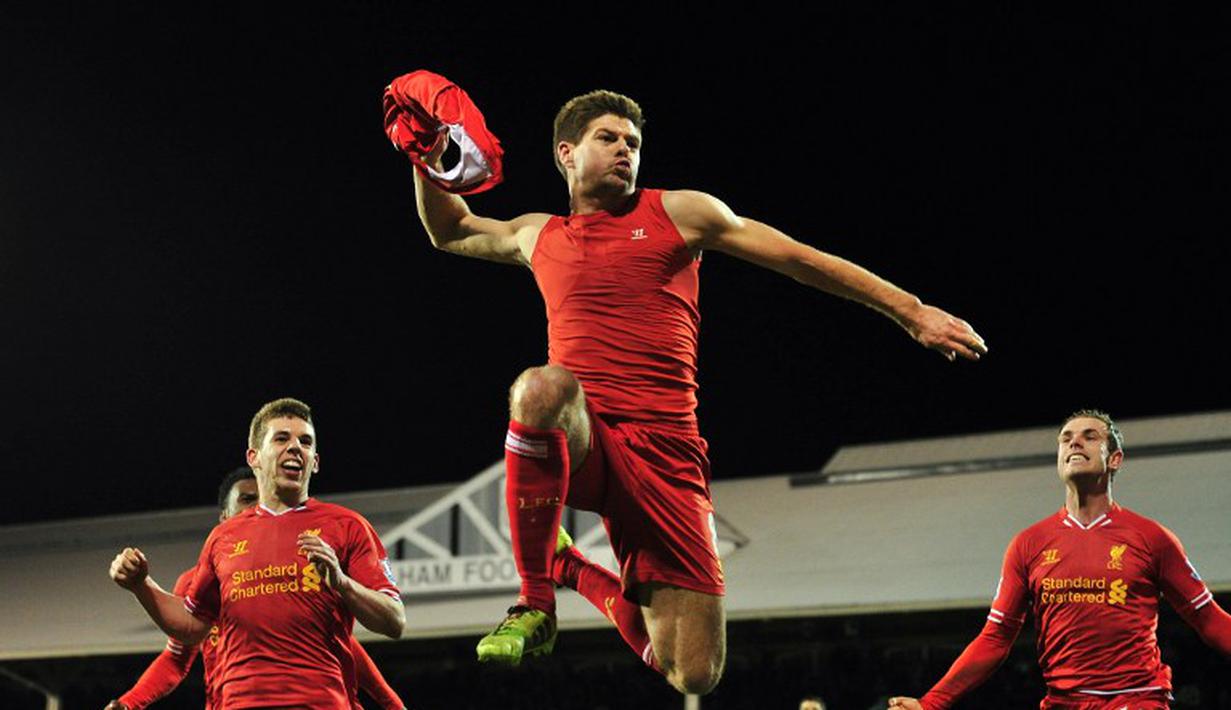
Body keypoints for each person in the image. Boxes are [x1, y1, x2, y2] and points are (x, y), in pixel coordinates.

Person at [411, 88, 987, 695]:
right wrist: (427, 158)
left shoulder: (681, 212)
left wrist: (911, 309)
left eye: (633, 142)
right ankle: (534, 599)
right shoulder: (538, 235)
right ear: (566, 153)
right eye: (609, 138)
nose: (625, 151)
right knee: (540, 388)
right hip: (587, 439)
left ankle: (567, 568)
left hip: (668, 455)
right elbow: (449, 230)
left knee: (693, 673)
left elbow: (798, 258)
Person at [888, 410, 1231, 710]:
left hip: (1136, 698)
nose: (1074, 443)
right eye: (1066, 438)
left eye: (1089, 436)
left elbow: (1208, 619)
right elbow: (995, 637)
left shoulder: (1152, 538)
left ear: (1115, 459)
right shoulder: (1028, 544)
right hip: (1062, 702)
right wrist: (931, 702)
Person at [110, 398, 406, 709]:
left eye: (305, 441)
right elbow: (191, 629)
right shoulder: (222, 539)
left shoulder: (348, 526)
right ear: (255, 457)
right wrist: (140, 586)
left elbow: (394, 621)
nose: (295, 447)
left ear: (315, 461)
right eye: (281, 438)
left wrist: (343, 583)